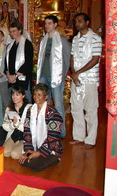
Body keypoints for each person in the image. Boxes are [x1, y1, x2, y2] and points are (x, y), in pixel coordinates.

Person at [69, 13, 102, 149]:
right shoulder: (75, 39)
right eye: (76, 21)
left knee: (90, 110)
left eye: (80, 21)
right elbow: (72, 58)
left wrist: (78, 72)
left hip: (89, 80)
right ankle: (79, 136)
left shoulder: (95, 38)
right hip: (76, 79)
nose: (77, 24)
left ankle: (90, 140)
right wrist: (74, 73)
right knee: (76, 109)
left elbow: (95, 59)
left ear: (87, 22)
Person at [36, 15, 71, 138]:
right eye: (45, 24)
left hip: (56, 77)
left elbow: (67, 59)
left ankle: (61, 133)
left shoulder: (62, 40)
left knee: (58, 105)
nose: (47, 26)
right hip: (44, 76)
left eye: (49, 23)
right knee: (45, 105)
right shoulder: (43, 40)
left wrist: (62, 75)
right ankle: (47, 131)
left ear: (55, 25)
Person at [19, 83, 63, 172]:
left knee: (34, 165)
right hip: (35, 146)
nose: (36, 97)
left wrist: (39, 153)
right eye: (34, 94)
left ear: (46, 97)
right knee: (24, 162)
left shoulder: (53, 114)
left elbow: (53, 138)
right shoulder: (30, 110)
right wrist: (28, 151)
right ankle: (38, 159)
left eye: (39, 95)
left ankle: (55, 158)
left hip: (50, 148)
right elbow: (27, 132)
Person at [4, 22, 34, 102]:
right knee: (12, 102)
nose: (12, 33)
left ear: (20, 31)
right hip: (11, 80)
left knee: (26, 102)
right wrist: (8, 75)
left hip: (22, 79)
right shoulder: (9, 45)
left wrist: (15, 75)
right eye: (10, 31)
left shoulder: (27, 44)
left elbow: (28, 63)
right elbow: (6, 63)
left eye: (14, 31)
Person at [2, 85, 32, 159]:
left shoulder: (29, 108)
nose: (14, 97)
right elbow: (4, 125)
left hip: (25, 137)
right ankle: (16, 146)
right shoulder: (9, 108)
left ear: (23, 96)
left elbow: (30, 128)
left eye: (17, 95)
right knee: (4, 152)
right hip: (14, 135)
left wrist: (18, 124)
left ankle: (28, 150)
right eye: (13, 94)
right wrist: (12, 125)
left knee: (14, 154)